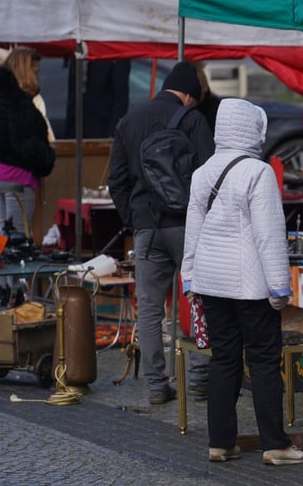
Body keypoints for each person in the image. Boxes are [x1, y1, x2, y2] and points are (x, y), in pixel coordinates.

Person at [181, 98, 303, 466]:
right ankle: (275, 445)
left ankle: (220, 442)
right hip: (251, 286)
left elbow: (194, 230)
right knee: (265, 361)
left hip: (211, 282)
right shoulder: (258, 172)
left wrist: (189, 277)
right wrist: (280, 286)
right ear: (254, 129)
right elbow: (269, 235)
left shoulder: (202, 172)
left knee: (224, 360)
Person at [107, 61, 215, 405]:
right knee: (202, 299)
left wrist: (133, 218)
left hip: (147, 229)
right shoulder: (193, 120)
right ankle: (199, 376)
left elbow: (117, 180)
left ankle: (157, 384)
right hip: (188, 226)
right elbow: (209, 176)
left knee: (150, 308)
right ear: (188, 94)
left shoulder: (130, 120)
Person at [0, 49, 56, 244]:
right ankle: (15, 276)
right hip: (18, 177)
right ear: (27, 71)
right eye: (36, 71)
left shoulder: (1, 98)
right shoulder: (18, 103)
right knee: (19, 240)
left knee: (3, 238)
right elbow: (27, 144)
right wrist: (47, 158)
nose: (38, 76)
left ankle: (4, 276)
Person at [65, 58, 130, 139]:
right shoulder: (77, 55)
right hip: (75, 132)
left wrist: (112, 135)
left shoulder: (115, 56)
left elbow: (121, 100)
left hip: (102, 132)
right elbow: (72, 96)